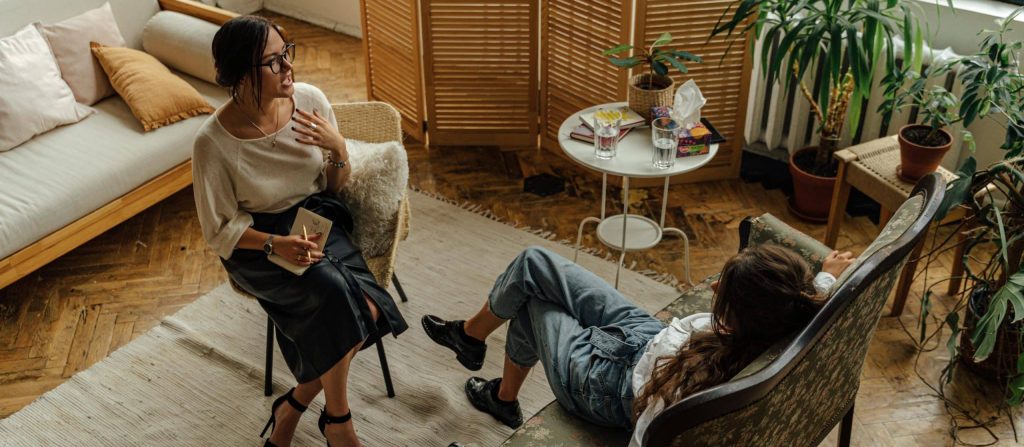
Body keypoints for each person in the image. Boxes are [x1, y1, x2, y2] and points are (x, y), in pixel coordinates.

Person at [192, 16, 408, 447]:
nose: (288, 68)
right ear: (240, 74)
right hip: (255, 241)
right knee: (335, 294)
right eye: (273, 62)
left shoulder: (310, 100)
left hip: (316, 217)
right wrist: (276, 244)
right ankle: (340, 422)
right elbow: (219, 230)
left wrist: (339, 148)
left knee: (369, 310)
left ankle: (293, 405)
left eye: (286, 52)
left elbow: (332, 187)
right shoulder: (212, 144)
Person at [422, 245, 855, 446]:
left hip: (606, 386)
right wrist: (825, 276)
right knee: (534, 262)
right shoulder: (790, 312)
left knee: (532, 303)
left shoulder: (688, 385)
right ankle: (471, 338)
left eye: (725, 290)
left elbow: (652, 434)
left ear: (744, 315)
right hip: (646, 335)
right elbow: (808, 298)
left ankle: (500, 394)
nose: (717, 285)